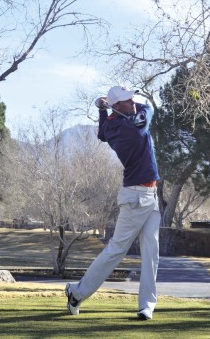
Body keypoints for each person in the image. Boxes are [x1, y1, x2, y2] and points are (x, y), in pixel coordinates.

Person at [65, 85, 161, 320]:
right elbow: (149, 109)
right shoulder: (133, 125)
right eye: (128, 101)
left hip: (150, 197)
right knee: (116, 250)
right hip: (136, 197)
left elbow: (101, 133)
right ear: (118, 106)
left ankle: (146, 305)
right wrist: (107, 107)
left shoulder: (112, 125)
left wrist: (101, 110)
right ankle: (77, 292)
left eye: (132, 99)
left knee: (151, 252)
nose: (133, 103)